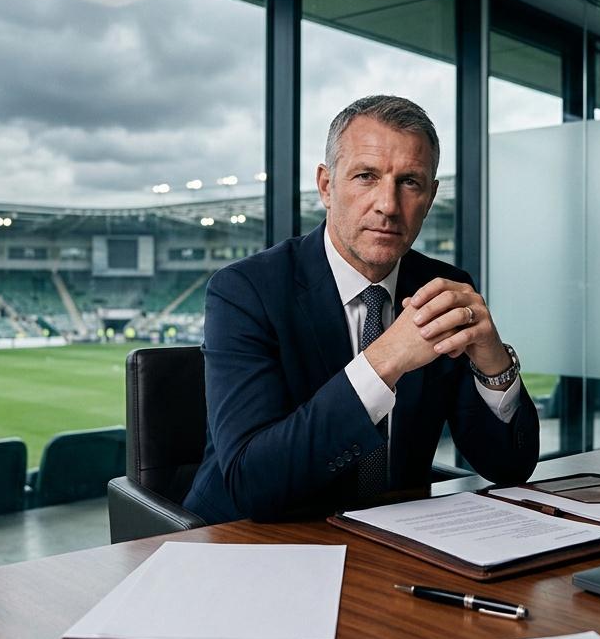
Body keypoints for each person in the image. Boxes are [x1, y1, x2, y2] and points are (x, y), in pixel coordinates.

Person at [183, 95, 539, 524]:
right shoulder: (245, 290)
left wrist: (494, 365)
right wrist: (386, 359)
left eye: (410, 182)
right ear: (327, 186)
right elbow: (252, 482)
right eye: (366, 176)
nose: (388, 205)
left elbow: (509, 468)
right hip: (247, 540)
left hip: (392, 537)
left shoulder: (442, 288)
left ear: (430, 196)